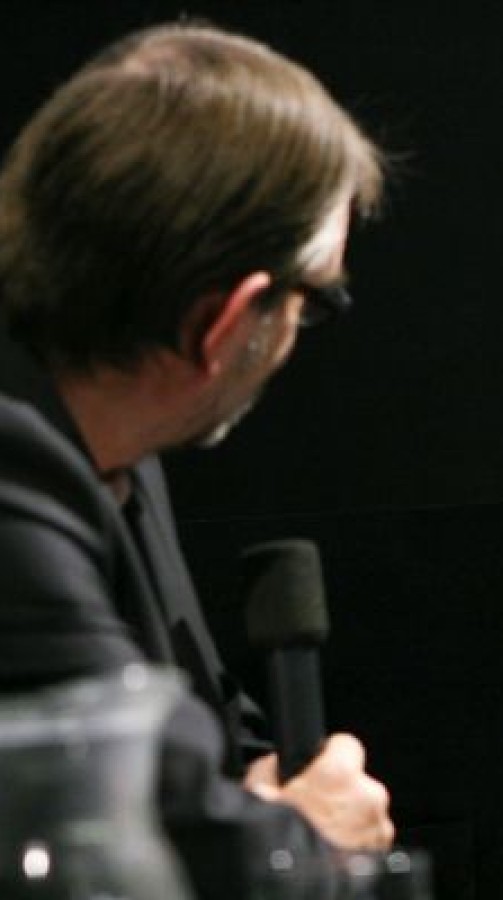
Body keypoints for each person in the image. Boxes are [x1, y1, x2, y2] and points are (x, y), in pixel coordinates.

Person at [0, 22, 393, 898]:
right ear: (225, 323)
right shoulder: (13, 468)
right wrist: (309, 837)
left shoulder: (120, 453)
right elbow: (148, 818)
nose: (301, 333)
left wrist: (266, 805)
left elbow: (205, 746)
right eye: (314, 303)